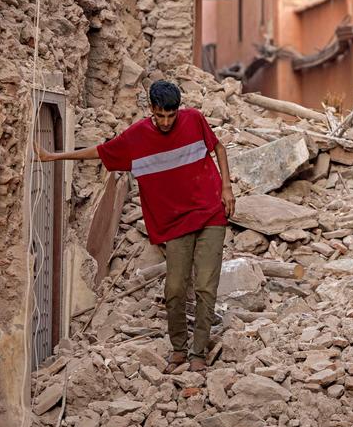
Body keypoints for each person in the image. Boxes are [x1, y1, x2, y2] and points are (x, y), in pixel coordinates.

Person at [35, 80, 235, 373]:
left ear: (178, 110)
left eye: (171, 115)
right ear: (151, 109)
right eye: (160, 115)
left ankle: (198, 353)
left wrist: (227, 187)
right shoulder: (137, 137)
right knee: (175, 288)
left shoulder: (194, 119)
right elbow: (100, 152)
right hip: (175, 222)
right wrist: (54, 157)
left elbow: (217, 147)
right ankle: (179, 348)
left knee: (206, 286)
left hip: (210, 214)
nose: (166, 122)